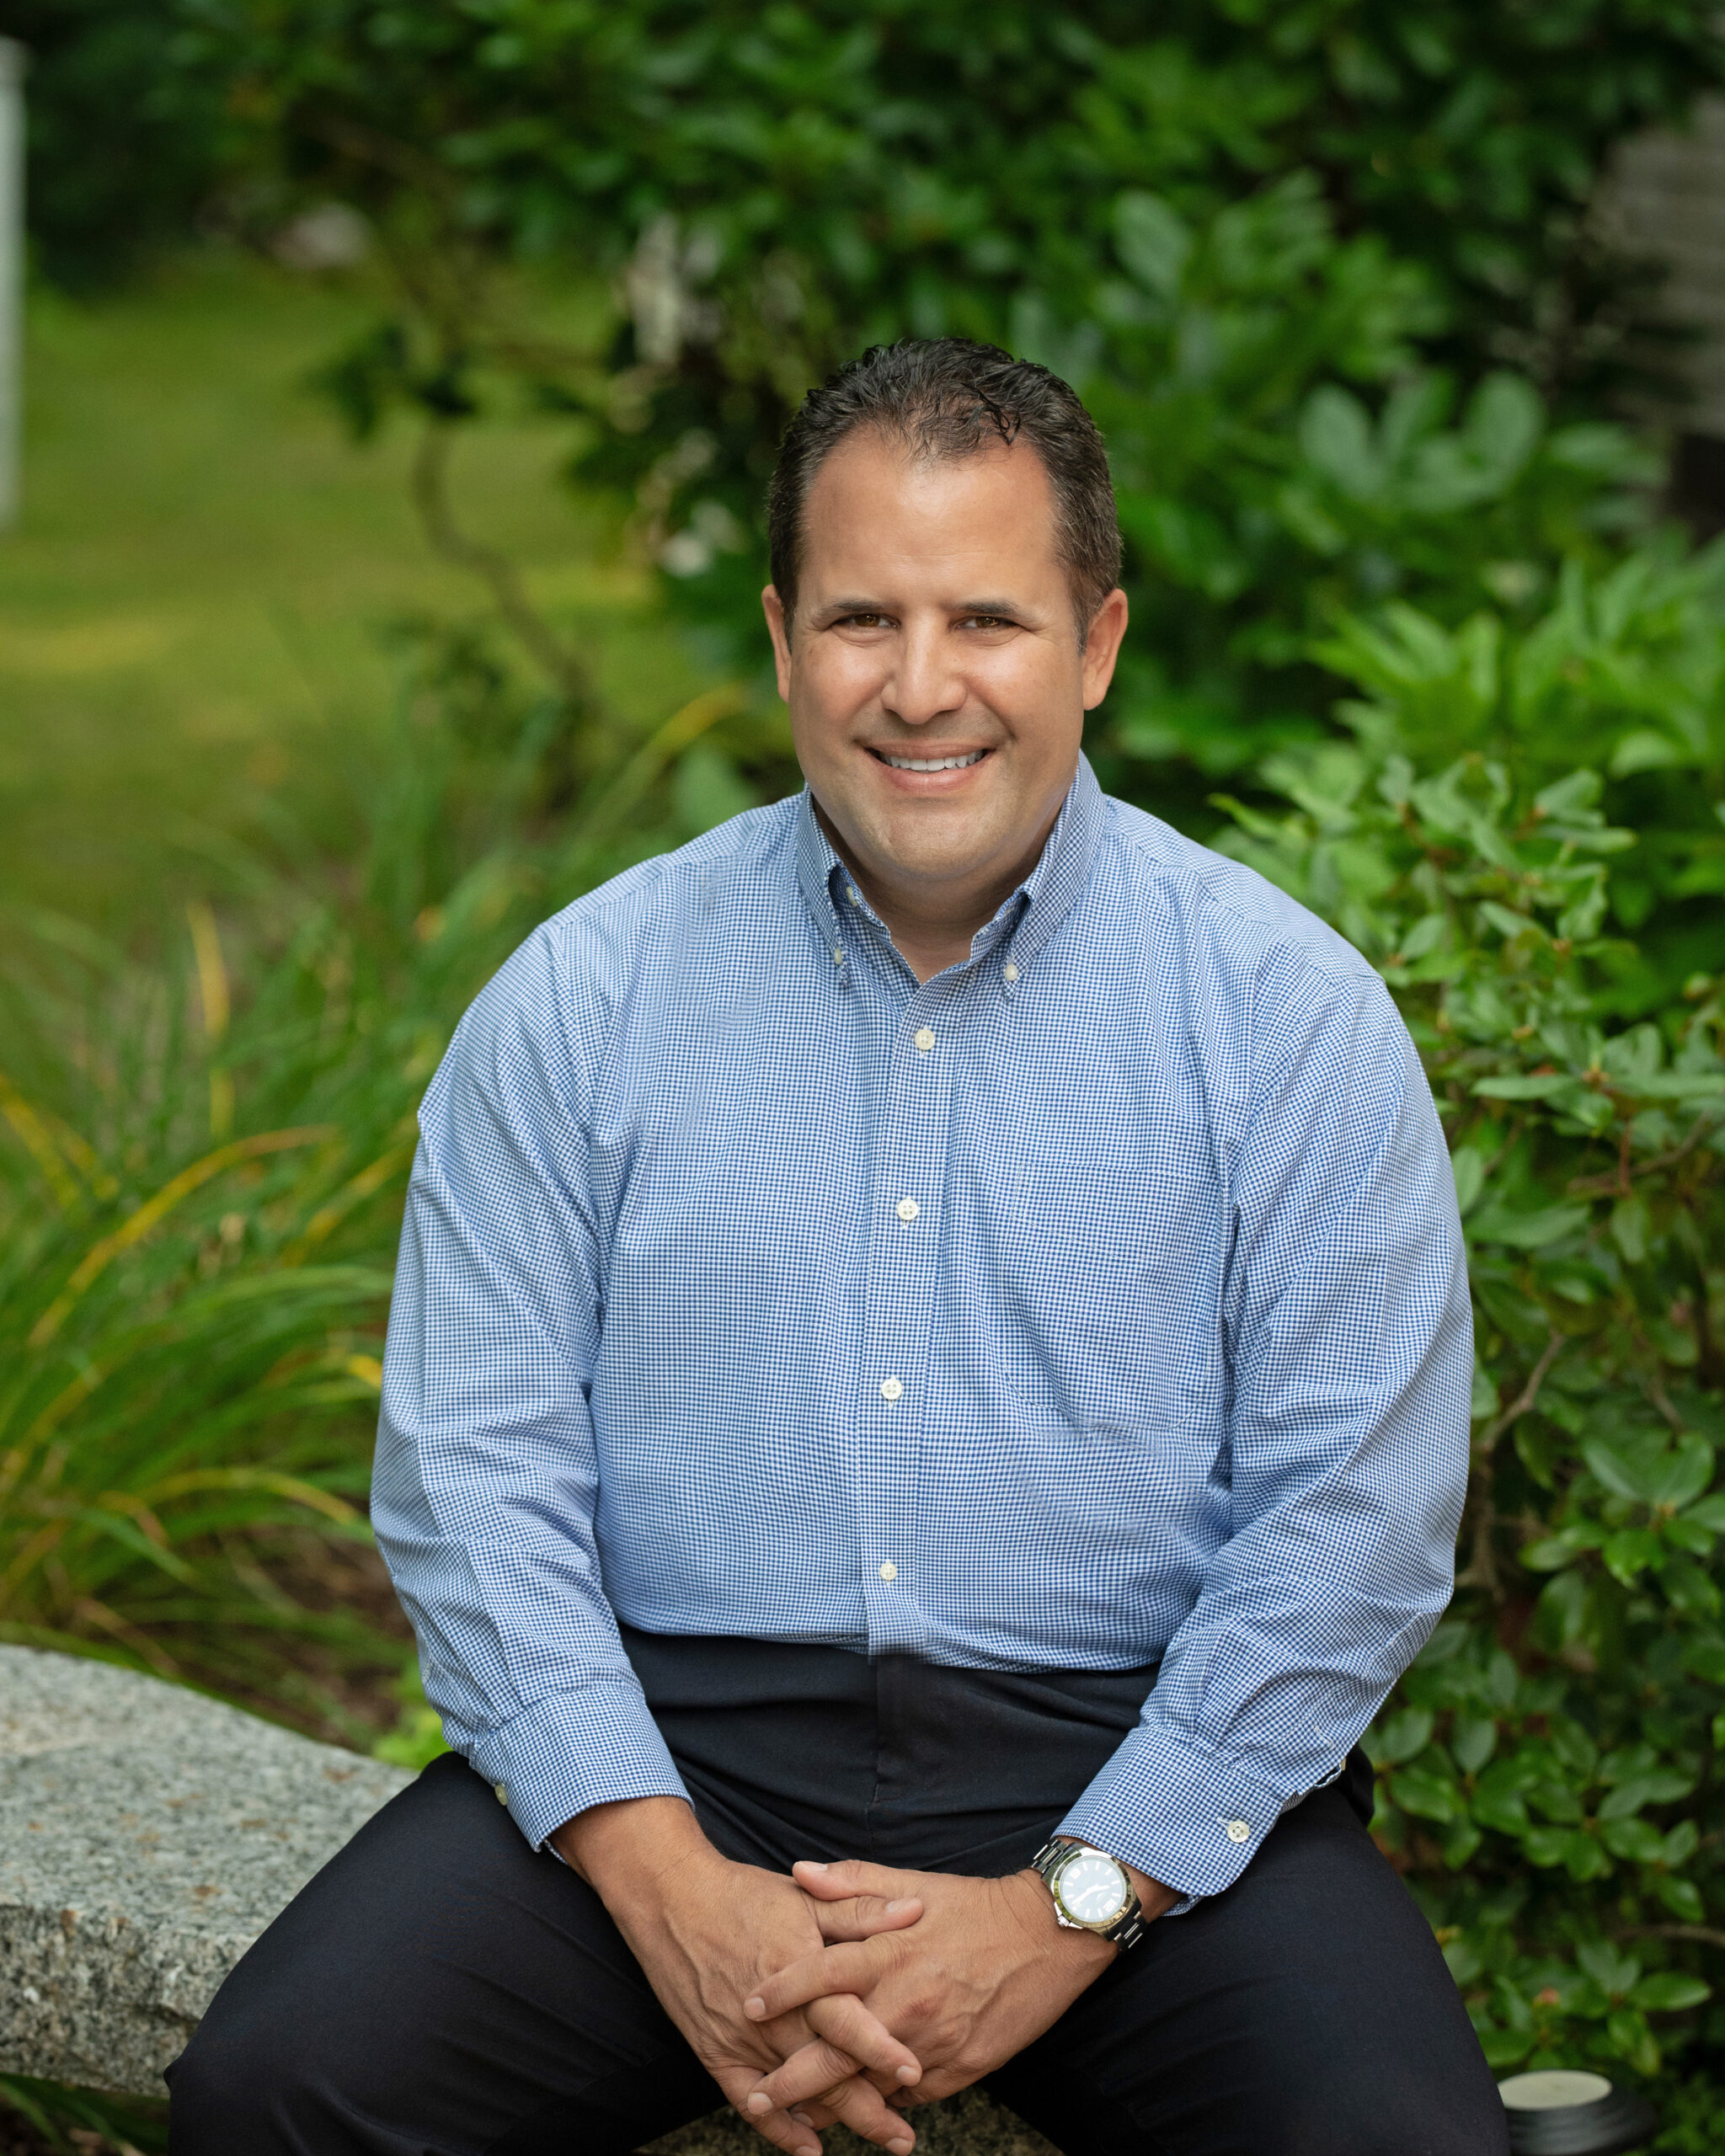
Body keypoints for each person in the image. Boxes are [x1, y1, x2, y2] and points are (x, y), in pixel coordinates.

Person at [168, 339, 1509, 2156]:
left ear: (1096, 642)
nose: (922, 686)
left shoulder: (1283, 1019)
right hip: (684, 1744)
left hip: (1128, 1759)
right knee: (281, 2093)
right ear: (785, 637)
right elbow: (473, 1474)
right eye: (864, 618)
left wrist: (1068, 1906)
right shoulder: (583, 1000)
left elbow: (1352, 1518)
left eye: (990, 620)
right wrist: (660, 1881)